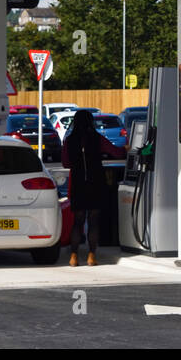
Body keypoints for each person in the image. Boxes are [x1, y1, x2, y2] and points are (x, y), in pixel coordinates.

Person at [61, 109, 125, 266]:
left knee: (78, 221)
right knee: (94, 220)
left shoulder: (69, 140)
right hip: (96, 181)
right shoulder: (97, 138)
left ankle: (74, 257)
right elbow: (117, 153)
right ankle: (91, 256)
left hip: (78, 181)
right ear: (91, 121)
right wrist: (128, 149)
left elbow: (65, 163)